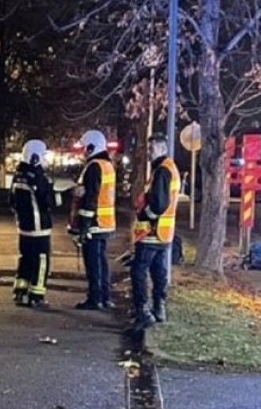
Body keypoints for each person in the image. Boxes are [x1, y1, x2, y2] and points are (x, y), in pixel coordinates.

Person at [128, 134, 181, 332]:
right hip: (164, 233)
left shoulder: (162, 171)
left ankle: (143, 313)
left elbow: (159, 203)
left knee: (138, 271)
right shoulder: (170, 168)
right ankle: (159, 308)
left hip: (152, 232)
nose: (149, 153)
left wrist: (144, 215)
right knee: (159, 271)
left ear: (160, 148)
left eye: (151, 149)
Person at [68, 129, 117, 310]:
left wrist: (83, 227)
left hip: (94, 225)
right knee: (102, 263)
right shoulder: (107, 165)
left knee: (93, 264)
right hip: (105, 224)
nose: (82, 152)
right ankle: (104, 297)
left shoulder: (94, 166)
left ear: (91, 147)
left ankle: (95, 298)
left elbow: (90, 200)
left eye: (84, 148)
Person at [10, 139, 59, 309]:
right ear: (35, 157)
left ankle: (20, 291)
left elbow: (12, 201)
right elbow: (48, 202)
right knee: (41, 260)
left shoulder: (18, 175)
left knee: (25, 258)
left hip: (24, 227)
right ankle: (36, 295)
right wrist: (58, 195)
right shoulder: (38, 178)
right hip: (39, 228)